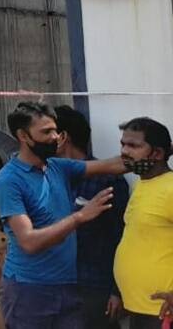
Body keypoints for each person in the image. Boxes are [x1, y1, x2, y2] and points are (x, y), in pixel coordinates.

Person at [0, 102, 127, 329]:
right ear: (23, 136)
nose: (55, 137)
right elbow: (29, 241)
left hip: (67, 286)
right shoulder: (9, 180)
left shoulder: (57, 167)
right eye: (46, 132)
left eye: (55, 130)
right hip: (30, 291)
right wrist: (79, 217)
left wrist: (156, 151)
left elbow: (111, 165)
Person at [54, 106, 130, 329]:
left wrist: (117, 291)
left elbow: (122, 236)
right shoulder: (48, 179)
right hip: (58, 286)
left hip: (94, 288)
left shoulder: (107, 180)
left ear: (62, 137)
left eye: (46, 131)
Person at [114, 117, 173, 328]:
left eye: (133, 146)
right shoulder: (143, 183)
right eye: (123, 144)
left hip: (163, 312)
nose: (124, 151)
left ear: (157, 153)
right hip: (140, 308)